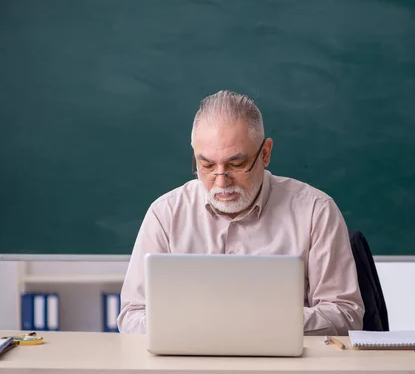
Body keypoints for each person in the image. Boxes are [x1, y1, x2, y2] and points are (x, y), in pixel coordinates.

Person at [117, 90, 364, 336]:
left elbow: (345, 314)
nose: (221, 181)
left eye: (236, 165)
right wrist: (197, 325)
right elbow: (132, 314)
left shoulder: (315, 211)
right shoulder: (165, 214)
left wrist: (257, 323)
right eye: (206, 165)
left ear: (265, 153)